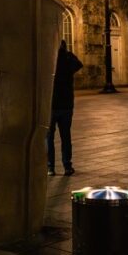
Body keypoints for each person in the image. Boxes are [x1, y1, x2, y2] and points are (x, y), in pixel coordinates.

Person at [47, 40, 83, 176]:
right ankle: (67, 166)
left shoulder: (49, 59)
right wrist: (66, 53)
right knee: (65, 136)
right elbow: (79, 64)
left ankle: (50, 167)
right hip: (66, 104)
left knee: (49, 137)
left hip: (51, 104)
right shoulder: (68, 58)